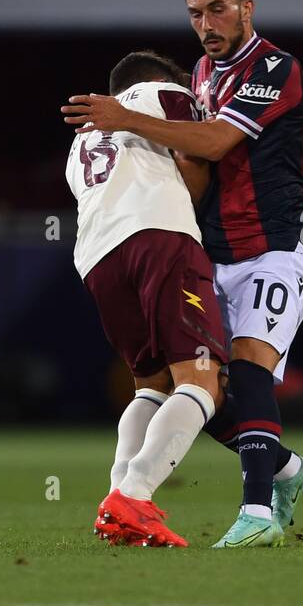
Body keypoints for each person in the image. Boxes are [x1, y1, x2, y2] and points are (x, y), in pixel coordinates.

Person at [63, 0, 303, 548]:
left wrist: (127, 120)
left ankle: (256, 513)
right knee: (200, 384)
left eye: (218, 8)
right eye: (196, 12)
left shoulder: (276, 67)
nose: (206, 22)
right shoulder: (200, 74)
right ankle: (281, 470)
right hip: (212, 250)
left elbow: (214, 142)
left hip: (277, 244)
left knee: (246, 371)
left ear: (247, 8)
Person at [68, 50, 228, 548]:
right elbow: (197, 166)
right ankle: (133, 496)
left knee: (151, 383)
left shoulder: (80, 143)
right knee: (203, 378)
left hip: (97, 259)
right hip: (160, 237)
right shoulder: (164, 94)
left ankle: (116, 504)